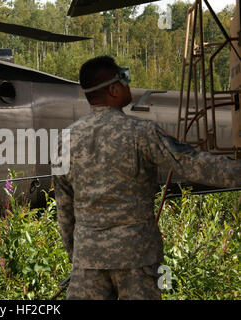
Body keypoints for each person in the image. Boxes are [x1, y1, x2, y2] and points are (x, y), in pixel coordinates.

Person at [51, 55, 241, 300]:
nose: (129, 85)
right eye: (125, 78)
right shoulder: (141, 132)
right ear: (113, 88)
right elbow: (194, 165)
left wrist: (77, 256)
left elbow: (64, 210)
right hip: (137, 259)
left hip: (89, 261)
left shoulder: (64, 140)